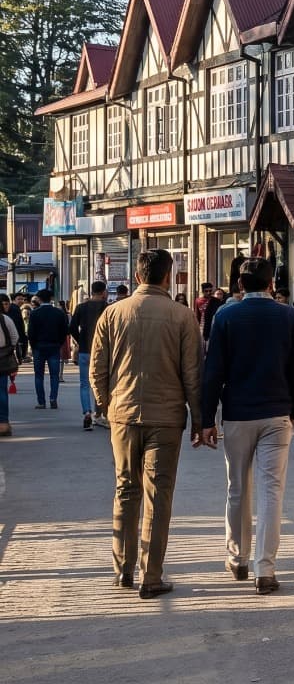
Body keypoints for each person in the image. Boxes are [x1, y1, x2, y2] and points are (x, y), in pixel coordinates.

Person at [91, 249, 203, 599]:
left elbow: (97, 369)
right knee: (158, 495)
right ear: (168, 276)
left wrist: (106, 405)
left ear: (138, 276)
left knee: (125, 490)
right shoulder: (183, 317)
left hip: (123, 415)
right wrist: (200, 418)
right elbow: (193, 374)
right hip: (167, 419)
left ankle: (122, 570)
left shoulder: (112, 313)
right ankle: (151, 576)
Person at [198, 257, 294, 596]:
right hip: (277, 414)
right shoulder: (289, 316)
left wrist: (206, 419)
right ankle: (266, 569)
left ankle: (238, 558)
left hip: (237, 415)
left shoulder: (225, 316)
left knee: (237, 488)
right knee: (271, 491)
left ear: (240, 285)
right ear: (271, 283)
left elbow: (213, 370)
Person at [68, 281, 111, 430]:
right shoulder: (108, 308)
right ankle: (100, 414)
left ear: (91, 292)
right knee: (102, 383)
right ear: (104, 292)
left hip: (85, 350)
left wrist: (80, 340)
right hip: (103, 352)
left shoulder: (81, 307)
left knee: (85, 384)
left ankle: (87, 412)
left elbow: (72, 327)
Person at [27, 288, 68, 411]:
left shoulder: (34, 313)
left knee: (39, 376)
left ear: (39, 299)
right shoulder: (59, 313)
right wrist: (59, 343)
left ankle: (41, 402)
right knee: (54, 375)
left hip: (39, 347)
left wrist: (33, 346)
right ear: (51, 299)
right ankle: (53, 399)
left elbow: (31, 333)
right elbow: (64, 331)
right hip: (54, 347)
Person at [0, 307, 19, 436]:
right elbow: (15, 337)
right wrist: (9, 348)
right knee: (1, 391)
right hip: (2, 359)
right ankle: (3, 424)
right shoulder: (5, 319)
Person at [1, 292, 27, 363]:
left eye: (6, 304)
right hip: (6, 349)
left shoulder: (10, 313)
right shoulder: (8, 316)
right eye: (19, 299)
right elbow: (16, 332)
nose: (5, 306)